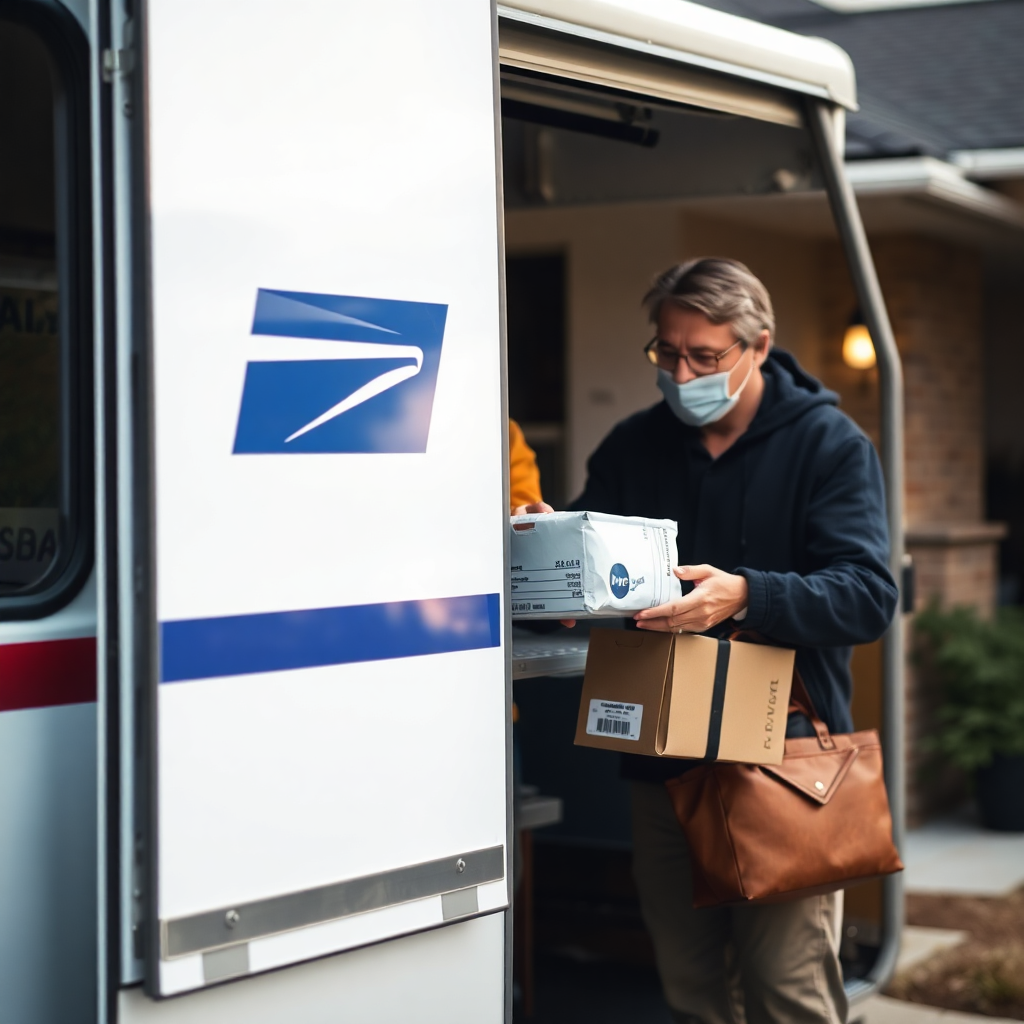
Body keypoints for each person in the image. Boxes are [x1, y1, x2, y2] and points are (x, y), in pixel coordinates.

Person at [570, 258, 898, 1024]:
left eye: (705, 357)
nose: (682, 374)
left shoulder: (829, 445)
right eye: (666, 353)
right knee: (691, 993)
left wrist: (748, 593)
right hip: (662, 767)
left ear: (758, 345)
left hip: (782, 765)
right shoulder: (634, 446)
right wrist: (551, 564)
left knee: (788, 994)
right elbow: (587, 557)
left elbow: (868, 596)